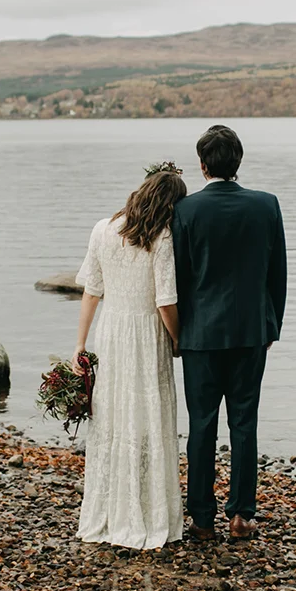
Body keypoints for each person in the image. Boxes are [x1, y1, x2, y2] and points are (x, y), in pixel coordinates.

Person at [171, 125, 286, 541]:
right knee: (244, 423)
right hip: (251, 332)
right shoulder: (266, 206)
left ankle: (202, 519)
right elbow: (278, 275)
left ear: (202, 166)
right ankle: (241, 515)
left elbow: (179, 278)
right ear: (238, 163)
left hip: (199, 336)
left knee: (201, 426)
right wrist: (272, 325)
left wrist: (178, 332)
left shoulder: (184, 211)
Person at [72, 164, 188, 549]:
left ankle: (107, 512)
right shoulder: (162, 237)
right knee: (148, 418)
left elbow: (92, 291)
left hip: (111, 331)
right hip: (147, 336)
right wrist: (177, 340)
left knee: (113, 418)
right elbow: (165, 301)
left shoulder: (102, 229)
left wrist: (80, 344)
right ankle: (146, 512)